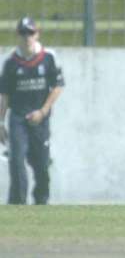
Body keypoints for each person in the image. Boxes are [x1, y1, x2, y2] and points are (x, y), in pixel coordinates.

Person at [0, 17, 65, 205]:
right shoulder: (11, 62)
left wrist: (43, 112)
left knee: (42, 165)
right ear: (18, 35)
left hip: (40, 118)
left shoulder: (48, 57)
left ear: (37, 34)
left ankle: (41, 202)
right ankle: (18, 203)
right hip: (18, 117)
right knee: (16, 160)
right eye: (23, 33)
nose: (26, 37)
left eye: (30, 33)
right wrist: (1, 122)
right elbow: (4, 95)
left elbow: (57, 87)